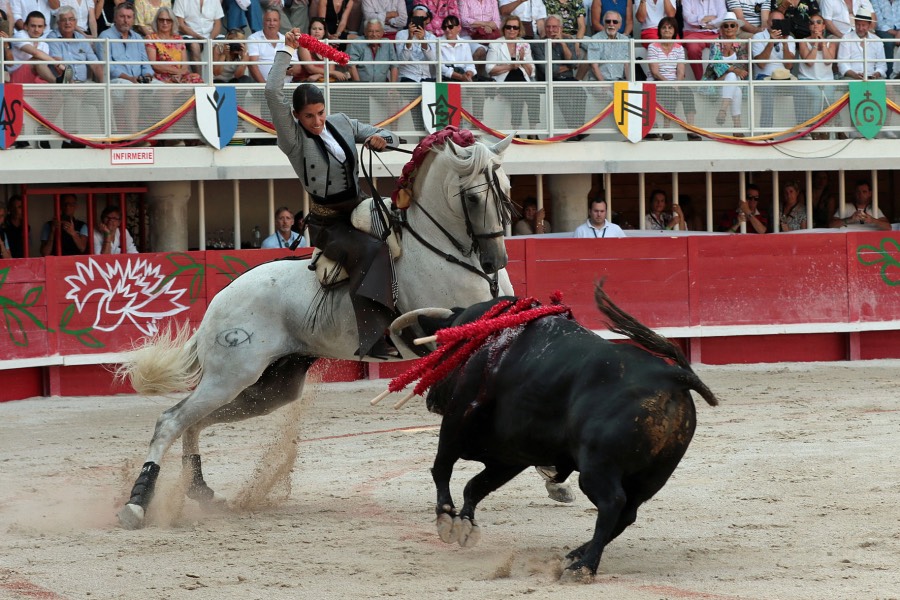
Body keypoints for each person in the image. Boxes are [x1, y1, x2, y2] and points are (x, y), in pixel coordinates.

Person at [265, 28, 400, 359]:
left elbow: (384, 134)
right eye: (309, 116)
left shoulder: (340, 122)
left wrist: (383, 139)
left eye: (320, 113)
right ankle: (371, 336)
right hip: (329, 223)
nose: (317, 121)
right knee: (371, 251)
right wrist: (287, 49)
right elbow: (272, 92)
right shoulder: (293, 140)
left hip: (359, 207)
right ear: (296, 117)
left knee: (403, 230)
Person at [647, 16, 700, 140]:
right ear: (659, 30)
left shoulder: (679, 48)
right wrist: (670, 85)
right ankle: (667, 129)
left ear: (674, 30)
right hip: (657, 82)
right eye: (664, 27)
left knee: (688, 93)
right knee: (669, 92)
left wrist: (677, 83)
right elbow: (655, 72)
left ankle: (691, 128)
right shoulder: (653, 46)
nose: (667, 30)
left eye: (670, 27)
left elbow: (681, 71)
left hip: (674, 82)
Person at [532, 14, 587, 133]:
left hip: (568, 79)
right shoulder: (538, 44)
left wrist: (562, 43)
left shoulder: (568, 40)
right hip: (549, 81)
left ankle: (577, 130)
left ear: (560, 28)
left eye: (554, 27)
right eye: (548, 27)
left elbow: (573, 64)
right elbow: (548, 70)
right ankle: (575, 131)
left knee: (581, 93)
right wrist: (565, 66)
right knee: (563, 96)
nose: (551, 30)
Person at [487, 15, 540, 133]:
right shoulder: (495, 44)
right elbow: (489, 69)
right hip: (504, 81)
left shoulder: (524, 44)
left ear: (519, 29)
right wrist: (510, 66)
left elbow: (531, 72)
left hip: (522, 79)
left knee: (535, 95)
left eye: (515, 27)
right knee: (518, 93)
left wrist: (522, 61)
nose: (512, 30)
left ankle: (533, 131)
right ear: (504, 28)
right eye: (509, 27)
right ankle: (515, 131)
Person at [703, 11, 749, 135]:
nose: (729, 28)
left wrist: (731, 72)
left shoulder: (743, 43)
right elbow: (715, 63)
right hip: (717, 79)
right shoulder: (716, 42)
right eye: (726, 25)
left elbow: (743, 66)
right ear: (721, 28)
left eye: (732, 25)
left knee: (734, 83)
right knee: (733, 78)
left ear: (737, 27)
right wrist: (733, 70)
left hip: (734, 80)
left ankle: (723, 111)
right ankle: (737, 127)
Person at [751, 10, 796, 129]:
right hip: (764, 77)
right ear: (768, 22)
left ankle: (803, 130)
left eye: (781, 21)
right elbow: (761, 64)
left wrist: (785, 43)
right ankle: (767, 130)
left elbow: (789, 66)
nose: (778, 24)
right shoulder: (758, 37)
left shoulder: (789, 38)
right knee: (768, 88)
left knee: (802, 87)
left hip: (784, 76)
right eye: (775, 21)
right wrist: (771, 42)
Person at [798, 11, 836, 139]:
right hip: (807, 78)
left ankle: (825, 129)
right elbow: (809, 62)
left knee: (830, 98)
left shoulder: (831, 41)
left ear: (824, 26)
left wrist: (823, 43)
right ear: (809, 26)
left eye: (818, 22)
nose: (815, 25)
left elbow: (828, 61)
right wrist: (815, 44)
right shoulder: (803, 41)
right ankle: (814, 127)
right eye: (812, 23)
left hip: (827, 79)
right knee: (817, 96)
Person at [97, 2, 157, 84]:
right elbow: (108, 67)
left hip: (138, 79)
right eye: (122, 16)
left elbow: (145, 64)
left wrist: (147, 76)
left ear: (133, 20)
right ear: (115, 18)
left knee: (163, 88)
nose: (125, 20)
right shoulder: (105, 37)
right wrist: (129, 78)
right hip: (116, 80)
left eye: (129, 17)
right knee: (131, 87)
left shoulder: (138, 38)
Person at [145, 7, 203, 83]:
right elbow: (154, 65)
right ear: (156, 21)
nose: (165, 23)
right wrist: (176, 72)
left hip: (180, 75)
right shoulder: (151, 38)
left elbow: (185, 64)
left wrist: (180, 73)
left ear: (173, 22)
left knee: (196, 78)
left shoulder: (178, 39)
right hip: (161, 75)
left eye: (168, 20)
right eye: (161, 20)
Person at [48, 6, 104, 83]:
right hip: (64, 85)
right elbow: (57, 64)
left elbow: (95, 64)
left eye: (71, 19)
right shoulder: (52, 37)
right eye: (64, 20)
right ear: (58, 23)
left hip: (84, 84)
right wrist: (72, 84)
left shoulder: (81, 38)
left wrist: (105, 84)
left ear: (76, 22)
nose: (68, 23)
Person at [248, 7, 302, 83]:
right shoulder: (254, 38)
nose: (272, 23)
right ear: (263, 22)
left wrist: (285, 70)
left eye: (275, 20)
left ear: (279, 22)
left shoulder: (287, 39)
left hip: (286, 87)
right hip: (261, 88)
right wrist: (265, 87)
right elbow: (252, 65)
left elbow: (297, 67)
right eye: (268, 20)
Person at [577, 10, 630, 82]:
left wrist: (629, 83)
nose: (611, 24)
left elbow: (627, 65)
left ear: (620, 25)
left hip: (619, 82)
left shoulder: (625, 40)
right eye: (608, 21)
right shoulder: (595, 39)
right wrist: (604, 85)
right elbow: (594, 66)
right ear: (604, 23)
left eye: (615, 22)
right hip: (598, 82)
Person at [682, 0, 728, 80]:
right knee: (693, 48)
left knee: (725, 46)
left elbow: (722, 17)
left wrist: (701, 22)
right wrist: (709, 21)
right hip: (693, 33)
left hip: (714, 33)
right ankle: (701, 81)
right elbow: (688, 17)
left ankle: (719, 80)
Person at [7, 11, 56, 84]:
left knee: (63, 66)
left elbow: (42, 69)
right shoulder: (20, 35)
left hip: (33, 78)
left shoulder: (45, 45)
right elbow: (36, 53)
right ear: (26, 26)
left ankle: (67, 84)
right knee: (36, 60)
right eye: (33, 26)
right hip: (14, 79)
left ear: (44, 28)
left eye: (40, 26)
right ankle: (58, 84)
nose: (36, 29)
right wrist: (58, 64)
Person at [296, 16, 350, 81]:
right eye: (314, 29)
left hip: (323, 80)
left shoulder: (329, 47)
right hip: (306, 81)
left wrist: (319, 75)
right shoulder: (303, 46)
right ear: (310, 31)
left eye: (320, 29)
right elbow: (310, 69)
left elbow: (331, 70)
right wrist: (333, 73)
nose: (317, 31)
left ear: (324, 32)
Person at [838, 7, 886, 79]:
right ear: (855, 23)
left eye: (863, 25)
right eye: (858, 25)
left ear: (869, 25)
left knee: (883, 83)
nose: (860, 28)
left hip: (872, 77)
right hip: (851, 77)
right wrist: (854, 75)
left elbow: (882, 65)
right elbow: (842, 64)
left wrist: (876, 74)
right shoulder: (846, 38)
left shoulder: (877, 40)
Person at [173, 0, 224, 64]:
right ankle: (198, 74)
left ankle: (214, 74)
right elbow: (180, 24)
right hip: (190, 35)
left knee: (221, 46)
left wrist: (210, 39)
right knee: (195, 46)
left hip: (211, 36)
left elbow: (218, 24)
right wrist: (198, 37)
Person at [396, 5, 437, 82]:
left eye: (422, 18)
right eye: (416, 18)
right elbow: (402, 60)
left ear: (428, 20)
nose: (419, 21)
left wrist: (422, 40)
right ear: (411, 18)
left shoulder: (432, 37)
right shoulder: (401, 34)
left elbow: (433, 60)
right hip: (407, 77)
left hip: (426, 77)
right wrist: (410, 38)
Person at [439, 14, 476, 82]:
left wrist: (468, 74)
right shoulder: (437, 43)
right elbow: (441, 68)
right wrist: (460, 77)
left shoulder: (465, 43)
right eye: (444, 27)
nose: (447, 29)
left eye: (450, 27)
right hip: (444, 80)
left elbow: (470, 65)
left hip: (463, 78)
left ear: (459, 28)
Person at [873, 0, 900, 75]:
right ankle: (889, 75)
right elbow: (879, 22)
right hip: (883, 30)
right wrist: (896, 33)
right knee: (888, 42)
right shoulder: (875, 1)